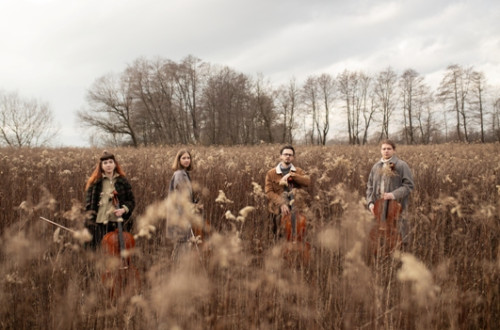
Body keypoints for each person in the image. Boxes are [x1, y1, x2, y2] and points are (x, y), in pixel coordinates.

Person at [84, 151, 135, 249]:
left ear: (115, 164)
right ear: (101, 166)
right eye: (105, 163)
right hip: (99, 222)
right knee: (98, 250)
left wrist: (123, 209)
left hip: (117, 222)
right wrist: (90, 220)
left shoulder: (122, 181)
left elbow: (131, 201)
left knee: (117, 250)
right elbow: (89, 204)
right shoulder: (95, 182)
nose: (108, 165)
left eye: (111, 162)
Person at [366, 139, 414, 243]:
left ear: (394, 150)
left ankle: (399, 255)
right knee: (378, 237)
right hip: (378, 207)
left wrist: (393, 195)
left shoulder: (401, 165)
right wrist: (370, 203)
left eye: (389, 149)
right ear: (380, 150)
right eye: (384, 149)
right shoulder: (375, 167)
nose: (386, 151)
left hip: (395, 207)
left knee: (398, 236)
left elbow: (409, 186)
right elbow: (369, 187)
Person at [265, 145, 310, 238]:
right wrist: (281, 203)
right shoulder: (271, 173)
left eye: (290, 155)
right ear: (280, 156)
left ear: (293, 157)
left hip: (296, 207)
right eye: (285, 154)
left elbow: (307, 181)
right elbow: (269, 192)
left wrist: (291, 175)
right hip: (279, 208)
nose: (288, 156)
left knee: (298, 234)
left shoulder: (298, 171)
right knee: (279, 235)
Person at [167, 149, 199, 256]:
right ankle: (176, 270)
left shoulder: (184, 174)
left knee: (182, 246)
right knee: (181, 247)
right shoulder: (179, 175)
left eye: (188, 158)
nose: (186, 160)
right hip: (180, 217)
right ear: (179, 160)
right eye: (183, 158)